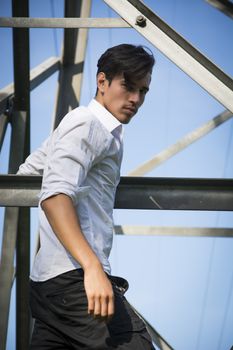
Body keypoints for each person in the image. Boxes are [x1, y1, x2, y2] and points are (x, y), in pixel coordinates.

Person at [18, 43, 155, 349]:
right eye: (128, 86)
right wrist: (92, 268)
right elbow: (54, 195)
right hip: (75, 278)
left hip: (53, 290)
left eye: (143, 91)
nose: (135, 99)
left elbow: (28, 175)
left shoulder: (96, 130)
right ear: (102, 81)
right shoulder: (86, 123)